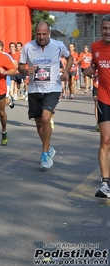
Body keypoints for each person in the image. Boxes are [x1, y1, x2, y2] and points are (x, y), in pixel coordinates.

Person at [18, 21, 73, 170]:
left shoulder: (58, 45)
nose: (41, 37)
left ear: (49, 33)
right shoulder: (28, 47)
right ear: (35, 33)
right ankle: (49, 148)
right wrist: (25, 71)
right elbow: (20, 66)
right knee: (38, 123)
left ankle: (44, 153)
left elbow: (70, 58)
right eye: (38, 34)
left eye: (44, 34)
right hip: (34, 89)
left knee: (46, 118)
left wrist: (66, 71)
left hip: (52, 88)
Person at [83, 14, 110, 198]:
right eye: (105, 28)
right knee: (105, 140)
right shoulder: (95, 47)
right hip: (104, 98)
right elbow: (93, 69)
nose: (108, 32)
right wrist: (89, 70)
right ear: (101, 29)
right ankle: (105, 183)